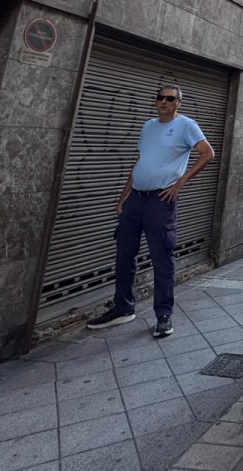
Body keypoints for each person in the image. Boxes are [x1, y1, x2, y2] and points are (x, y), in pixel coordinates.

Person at [87, 86, 215, 337]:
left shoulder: (187, 125)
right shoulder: (147, 126)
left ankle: (164, 314)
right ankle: (123, 308)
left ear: (178, 102)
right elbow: (141, 161)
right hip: (136, 199)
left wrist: (179, 183)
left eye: (170, 98)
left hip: (160, 201)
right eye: (160, 97)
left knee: (161, 257)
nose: (164, 102)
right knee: (124, 254)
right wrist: (124, 196)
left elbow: (207, 153)